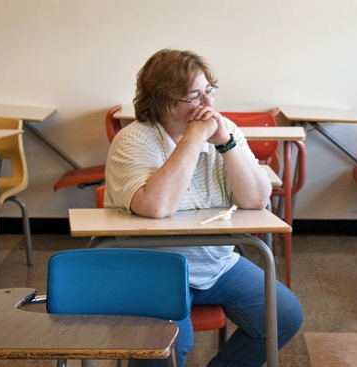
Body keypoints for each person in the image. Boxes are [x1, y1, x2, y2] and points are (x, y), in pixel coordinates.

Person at [104, 48, 303, 367]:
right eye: (193, 96)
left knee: (284, 316)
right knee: (168, 346)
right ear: (162, 101)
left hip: (217, 265)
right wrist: (194, 138)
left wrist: (227, 144)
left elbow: (255, 201)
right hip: (152, 268)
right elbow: (156, 207)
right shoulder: (134, 140)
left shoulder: (225, 132)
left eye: (208, 91)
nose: (207, 104)